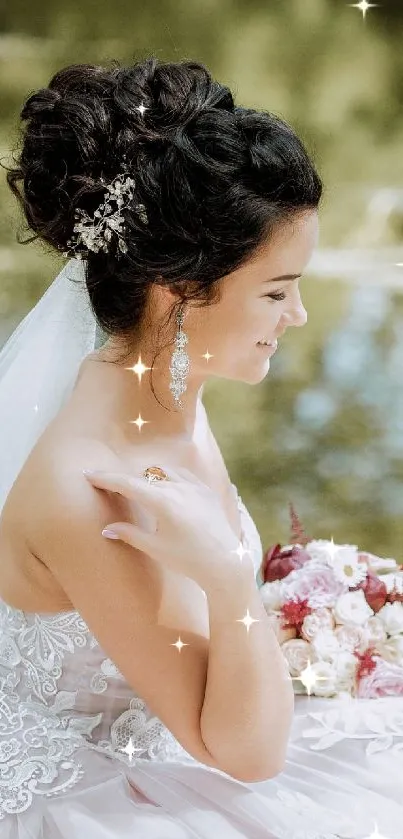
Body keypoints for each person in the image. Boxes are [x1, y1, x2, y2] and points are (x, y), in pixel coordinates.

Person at [0, 56, 400, 839]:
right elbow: (245, 753)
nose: (298, 318)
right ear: (176, 293)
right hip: (107, 791)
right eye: (277, 291)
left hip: (193, 736)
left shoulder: (166, 395)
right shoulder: (88, 490)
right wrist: (225, 576)